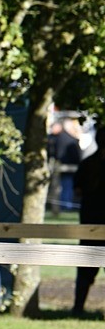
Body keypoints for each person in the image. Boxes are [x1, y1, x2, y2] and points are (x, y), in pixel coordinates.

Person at [72, 127, 105, 315]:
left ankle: (78, 307)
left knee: (85, 271)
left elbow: (77, 192)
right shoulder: (88, 165)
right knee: (85, 271)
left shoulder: (87, 164)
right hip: (92, 225)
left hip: (89, 226)